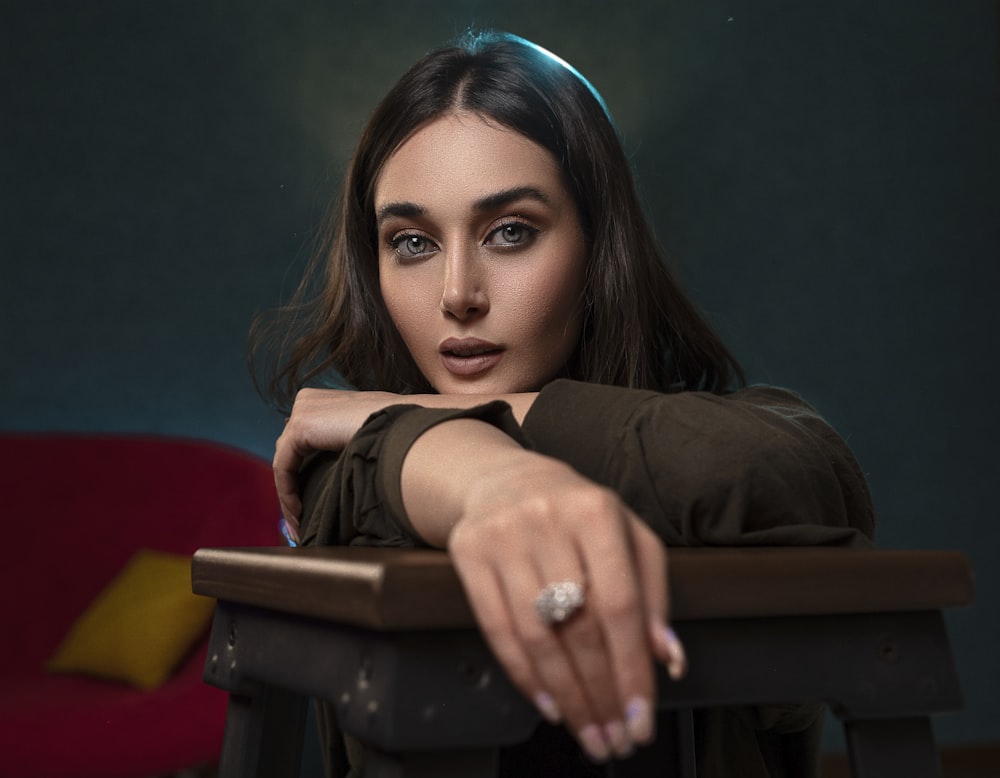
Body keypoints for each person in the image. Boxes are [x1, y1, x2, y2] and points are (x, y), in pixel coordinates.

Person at [250, 30, 874, 777]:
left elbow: (782, 470)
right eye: (412, 242)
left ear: (596, 243)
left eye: (511, 232)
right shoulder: (342, 461)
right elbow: (361, 478)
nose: (458, 295)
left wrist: (454, 424)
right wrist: (484, 471)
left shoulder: (731, 429)